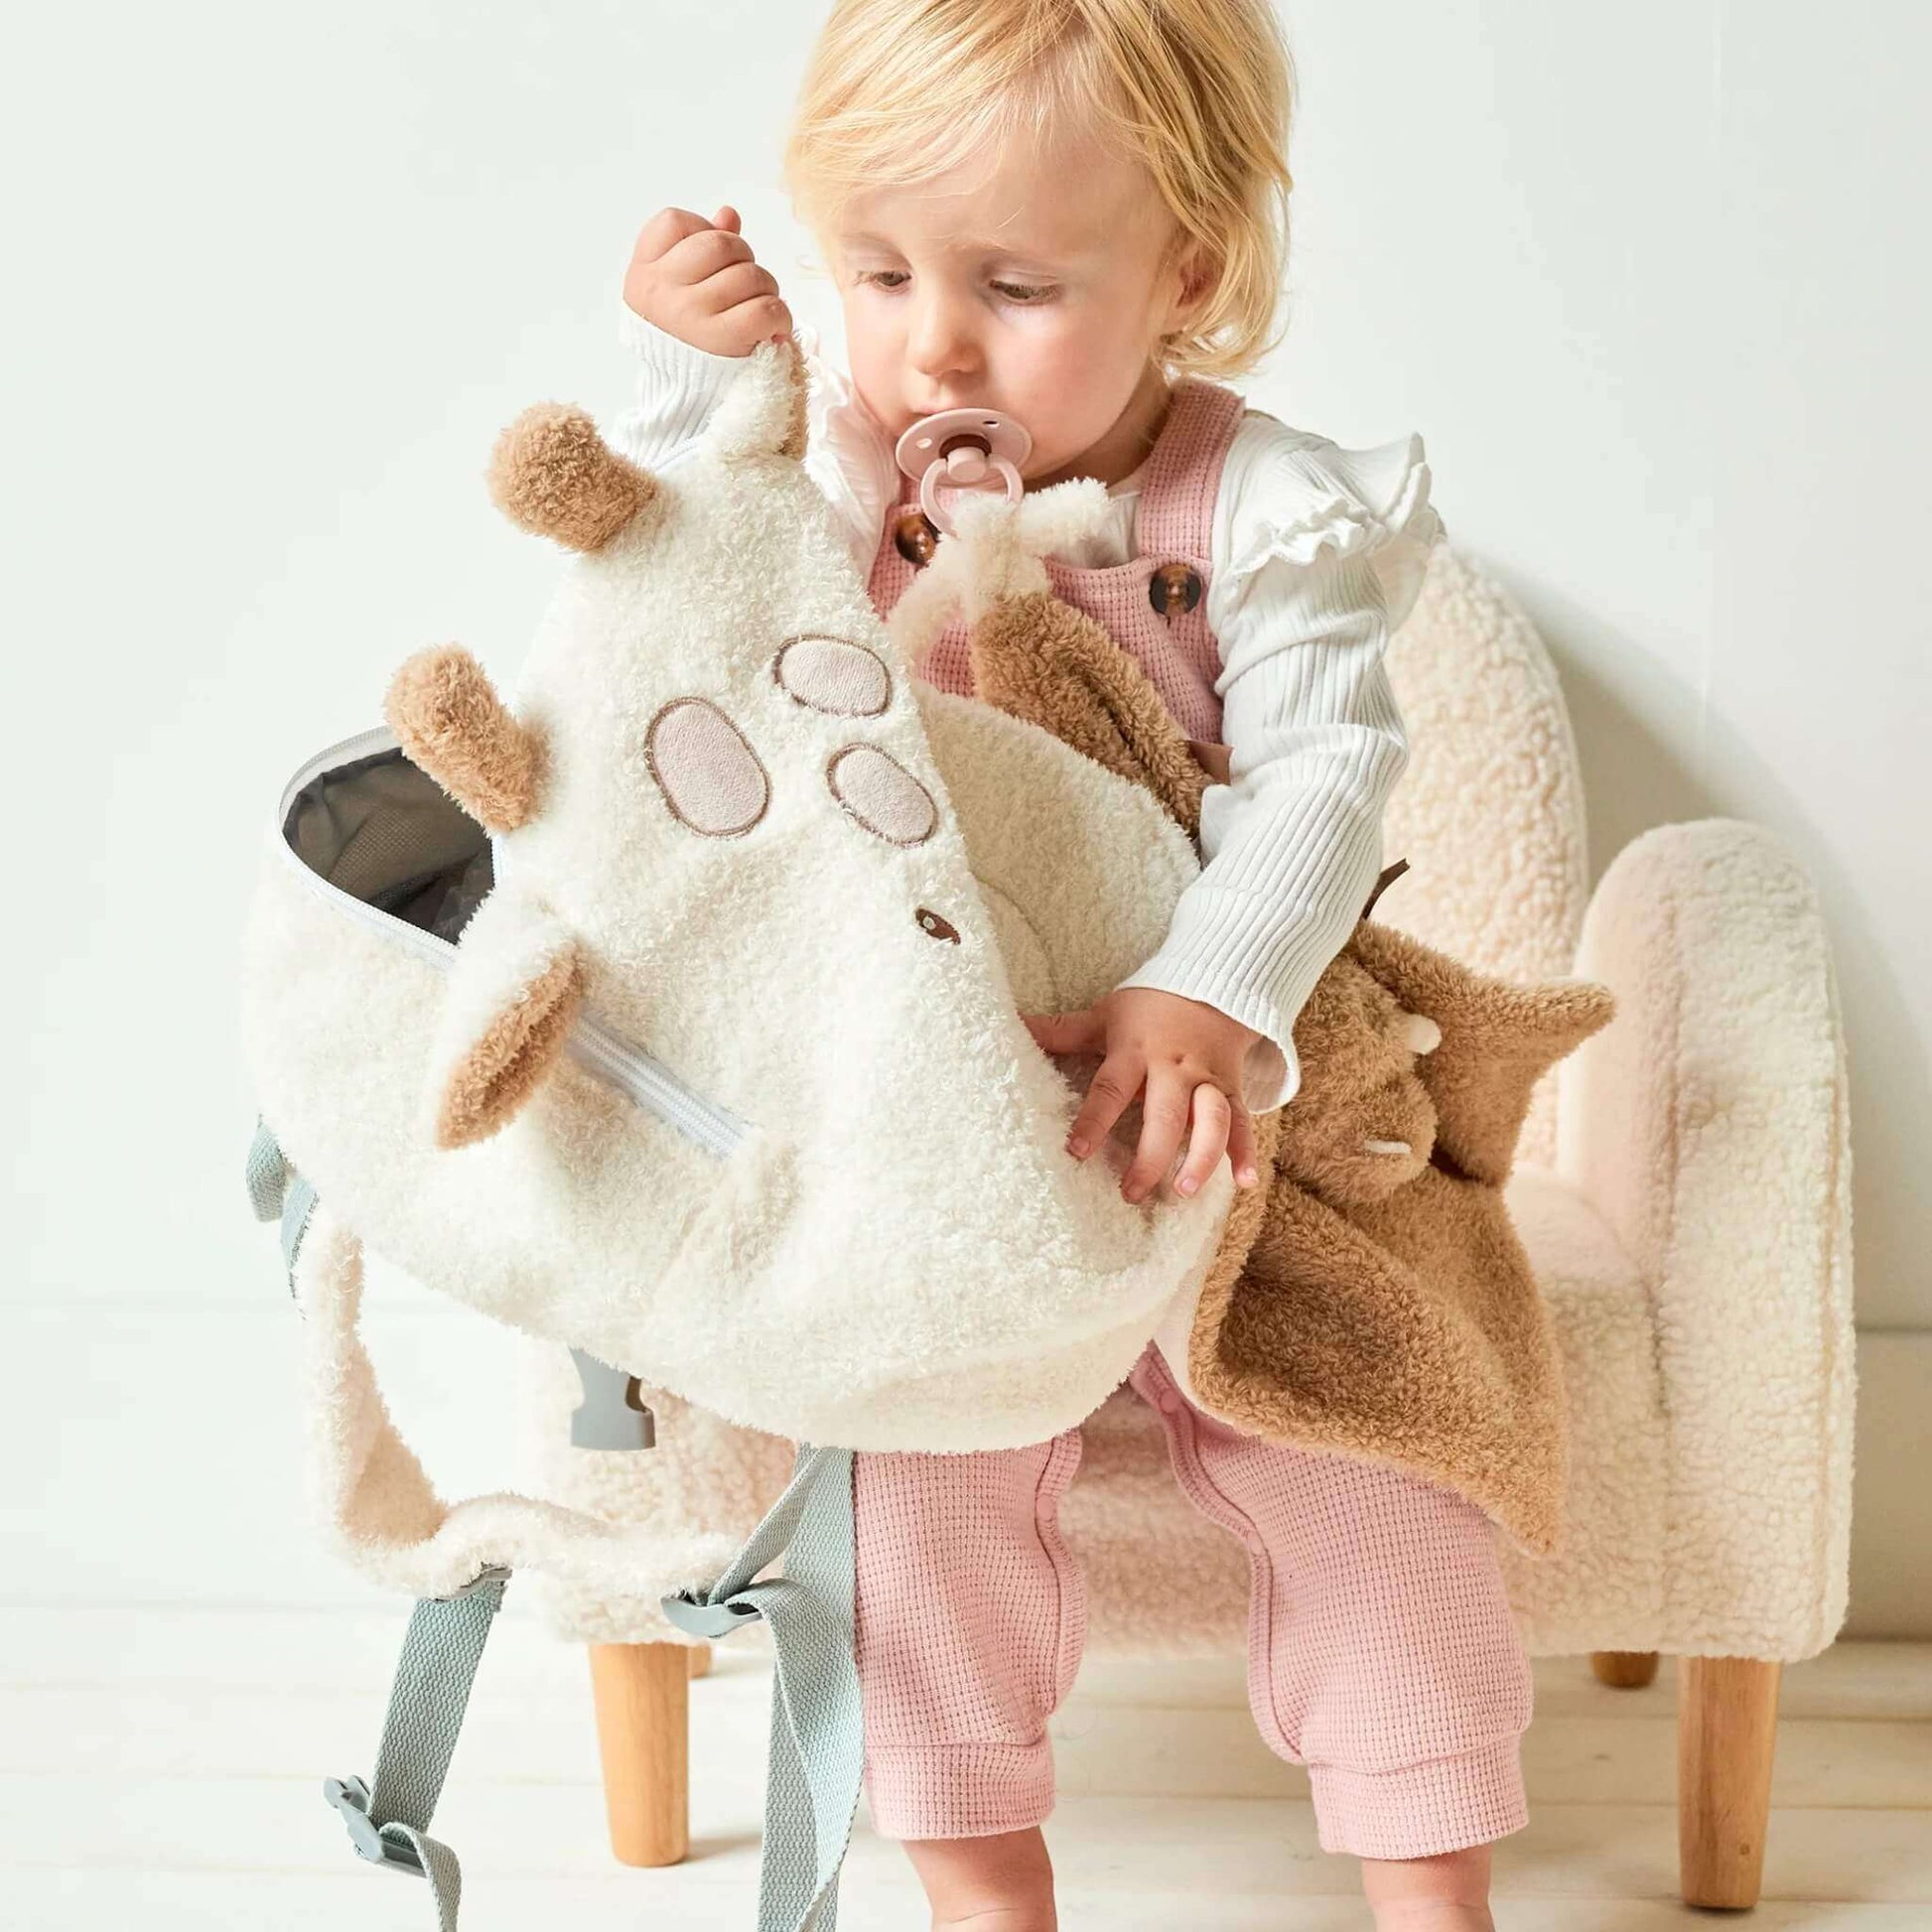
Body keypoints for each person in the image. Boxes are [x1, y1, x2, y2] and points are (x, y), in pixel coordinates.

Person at [617, 4, 1527, 1926]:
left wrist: (1216, 986)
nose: (931, 340)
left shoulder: (1264, 509)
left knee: (1378, 1452)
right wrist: (689, 385)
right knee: (908, 1483)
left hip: (1221, 1092)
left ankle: (1432, 1872)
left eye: (1015, 283)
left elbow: (1325, 779)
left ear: (1184, 265)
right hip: (941, 1108)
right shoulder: (841, 479)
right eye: (876, 273)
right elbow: (674, 601)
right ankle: (976, 1882)